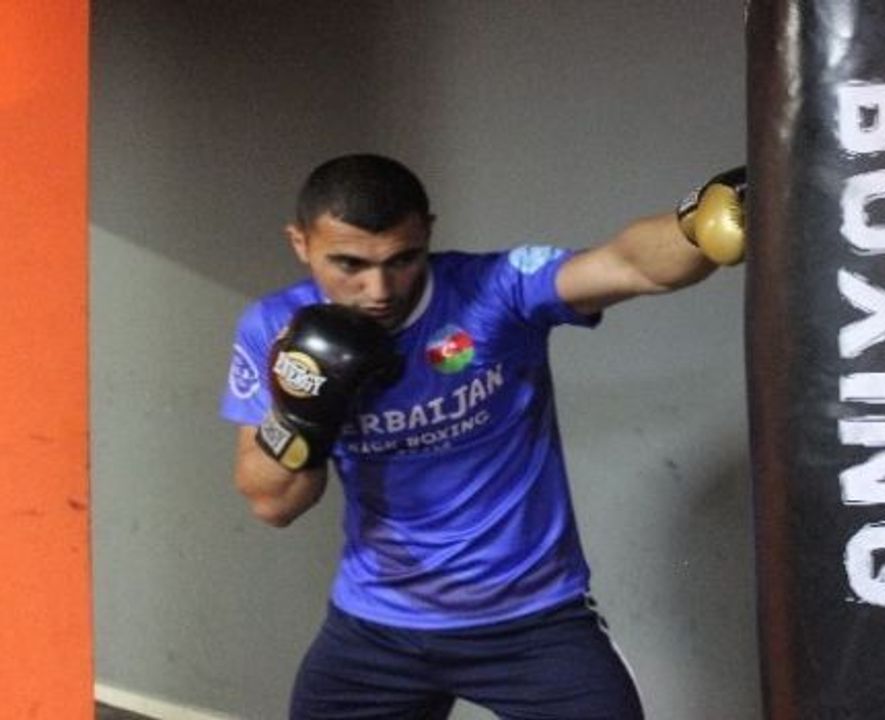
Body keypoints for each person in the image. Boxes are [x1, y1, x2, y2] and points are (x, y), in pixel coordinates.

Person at [220, 153, 744, 719]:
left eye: (402, 259)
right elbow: (272, 503)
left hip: (533, 623)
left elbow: (631, 265)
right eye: (349, 264)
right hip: (377, 627)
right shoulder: (275, 328)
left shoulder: (493, 290)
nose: (379, 289)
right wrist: (302, 412)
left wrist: (696, 222)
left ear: (427, 233)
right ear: (301, 243)